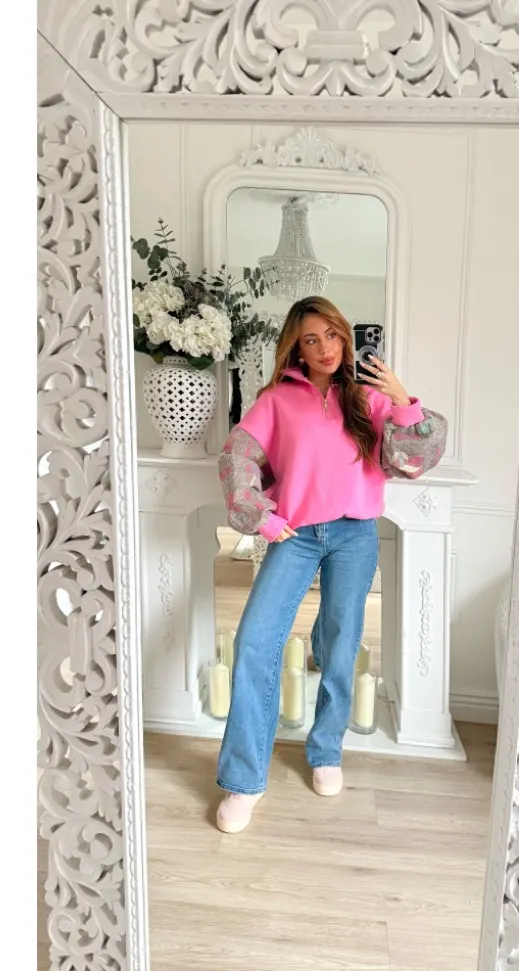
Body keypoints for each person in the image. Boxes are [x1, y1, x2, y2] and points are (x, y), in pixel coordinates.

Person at [214, 296, 447, 833]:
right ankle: (244, 780)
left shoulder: (368, 396)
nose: (325, 348)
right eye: (311, 339)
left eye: (333, 335)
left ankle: (326, 749)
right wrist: (260, 516)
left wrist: (401, 399)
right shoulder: (277, 401)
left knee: (341, 645)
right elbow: (237, 455)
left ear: (346, 337)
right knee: (255, 642)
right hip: (295, 535)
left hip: (354, 534)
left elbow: (415, 460)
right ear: (296, 347)